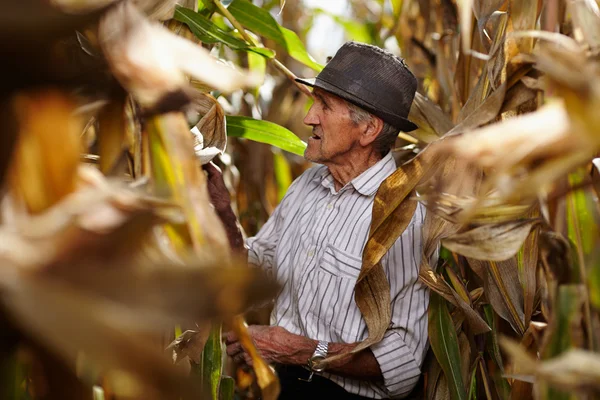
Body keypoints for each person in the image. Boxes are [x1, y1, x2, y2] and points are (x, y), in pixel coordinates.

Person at [205, 41, 428, 399]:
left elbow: (404, 362)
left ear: (368, 129)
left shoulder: (404, 218)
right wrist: (222, 212)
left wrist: (301, 351)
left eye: (324, 105)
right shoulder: (308, 184)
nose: (309, 117)